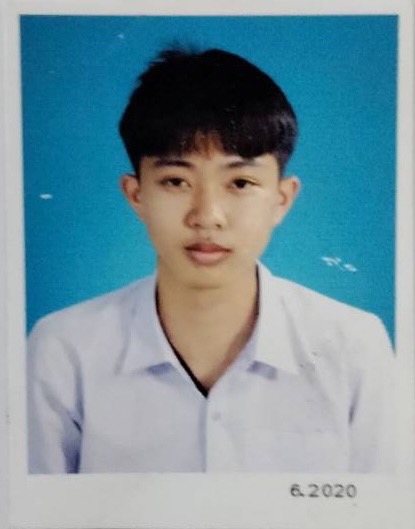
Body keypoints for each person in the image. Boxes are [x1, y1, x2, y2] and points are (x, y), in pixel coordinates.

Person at [27, 47, 395, 474]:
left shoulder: (353, 347)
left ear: (282, 199)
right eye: (175, 181)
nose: (207, 216)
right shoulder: (64, 350)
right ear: (136, 195)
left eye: (240, 182)